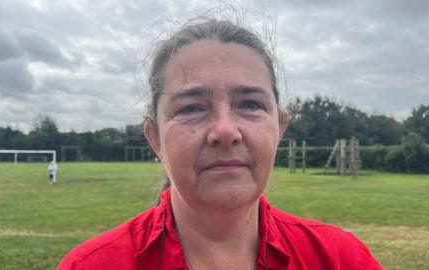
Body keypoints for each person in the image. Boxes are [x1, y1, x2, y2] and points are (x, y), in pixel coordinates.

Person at [57, 19, 383, 269]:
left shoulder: (341, 259)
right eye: (191, 108)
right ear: (154, 138)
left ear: (280, 127)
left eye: (251, 104)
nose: (225, 130)